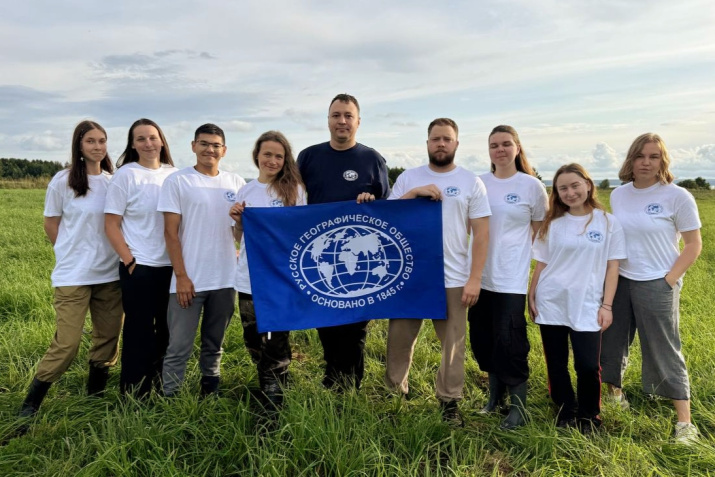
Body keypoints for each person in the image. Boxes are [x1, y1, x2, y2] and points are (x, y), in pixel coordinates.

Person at [384, 118, 491, 426]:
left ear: (456, 143)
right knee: (399, 339)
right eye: (435, 139)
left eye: (447, 138)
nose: (441, 143)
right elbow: (388, 219)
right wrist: (412, 194)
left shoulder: (471, 182)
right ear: (427, 143)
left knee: (453, 344)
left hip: (453, 276)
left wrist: (474, 278)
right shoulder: (408, 177)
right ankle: (395, 395)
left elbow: (482, 234)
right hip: (410, 276)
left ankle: (449, 401)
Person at [600, 133, 702, 443]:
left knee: (663, 347)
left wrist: (669, 279)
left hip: (657, 282)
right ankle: (615, 394)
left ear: (662, 161)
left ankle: (685, 423)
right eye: (640, 156)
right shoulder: (619, 195)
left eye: (653, 156)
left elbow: (693, 244)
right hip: (621, 280)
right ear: (631, 160)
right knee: (612, 340)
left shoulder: (677, 196)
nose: (646, 162)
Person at [19, 120, 123, 418]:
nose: (97, 146)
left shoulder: (113, 181)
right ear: (79, 145)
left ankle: (94, 398)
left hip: (109, 275)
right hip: (73, 275)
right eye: (90, 141)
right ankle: (30, 406)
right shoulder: (62, 181)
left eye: (102, 141)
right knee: (67, 343)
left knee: (108, 338)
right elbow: (51, 222)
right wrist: (67, 252)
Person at [297, 93, 390, 391]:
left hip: (359, 258)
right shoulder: (308, 157)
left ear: (358, 122)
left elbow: (388, 209)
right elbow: (292, 201)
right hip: (322, 256)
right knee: (326, 322)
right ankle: (332, 377)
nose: (342, 121)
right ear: (328, 120)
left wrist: (371, 201)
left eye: (348, 116)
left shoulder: (372, 159)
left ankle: (350, 387)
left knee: (354, 328)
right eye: (336, 115)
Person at [528, 163, 626, 433]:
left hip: (587, 304)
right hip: (551, 301)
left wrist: (607, 305)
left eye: (575, 185)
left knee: (587, 365)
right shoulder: (553, 224)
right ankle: (565, 410)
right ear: (557, 193)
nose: (570, 193)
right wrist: (531, 294)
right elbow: (543, 263)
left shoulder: (608, 222)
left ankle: (589, 416)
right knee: (556, 363)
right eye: (563, 188)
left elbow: (613, 267)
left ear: (588, 185)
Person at [468, 125, 548, 429]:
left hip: (510, 278)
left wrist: (536, 279)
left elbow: (541, 235)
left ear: (517, 148)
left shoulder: (531, 186)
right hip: (479, 276)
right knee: (484, 339)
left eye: (505, 144)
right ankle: (494, 399)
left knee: (510, 342)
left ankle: (519, 408)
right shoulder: (478, 183)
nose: (500, 150)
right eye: (494, 145)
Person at [158, 123, 246, 397]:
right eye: (204, 143)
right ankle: (171, 399)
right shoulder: (178, 181)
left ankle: (210, 391)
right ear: (194, 146)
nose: (210, 149)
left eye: (216, 145)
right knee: (179, 346)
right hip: (189, 280)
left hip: (225, 279)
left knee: (214, 343)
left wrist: (239, 224)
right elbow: (170, 233)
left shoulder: (236, 183)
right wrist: (181, 277)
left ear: (224, 150)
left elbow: (240, 234)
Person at [229, 131, 306, 409]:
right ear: (257, 156)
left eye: (279, 156)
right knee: (253, 339)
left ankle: (273, 401)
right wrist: (239, 221)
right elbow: (239, 237)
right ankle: (277, 380)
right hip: (248, 278)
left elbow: (302, 232)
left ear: (286, 160)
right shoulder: (246, 190)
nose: (272, 161)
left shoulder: (295, 190)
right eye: (267, 154)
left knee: (275, 339)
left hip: (280, 281)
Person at [104, 118, 177, 398]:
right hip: (140, 266)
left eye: (153, 137)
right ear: (133, 145)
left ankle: (161, 386)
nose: (148, 143)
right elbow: (111, 224)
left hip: (172, 267)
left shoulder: (174, 175)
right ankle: (134, 392)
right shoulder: (126, 175)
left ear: (162, 141)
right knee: (139, 331)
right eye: (141, 139)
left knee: (167, 331)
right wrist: (129, 260)